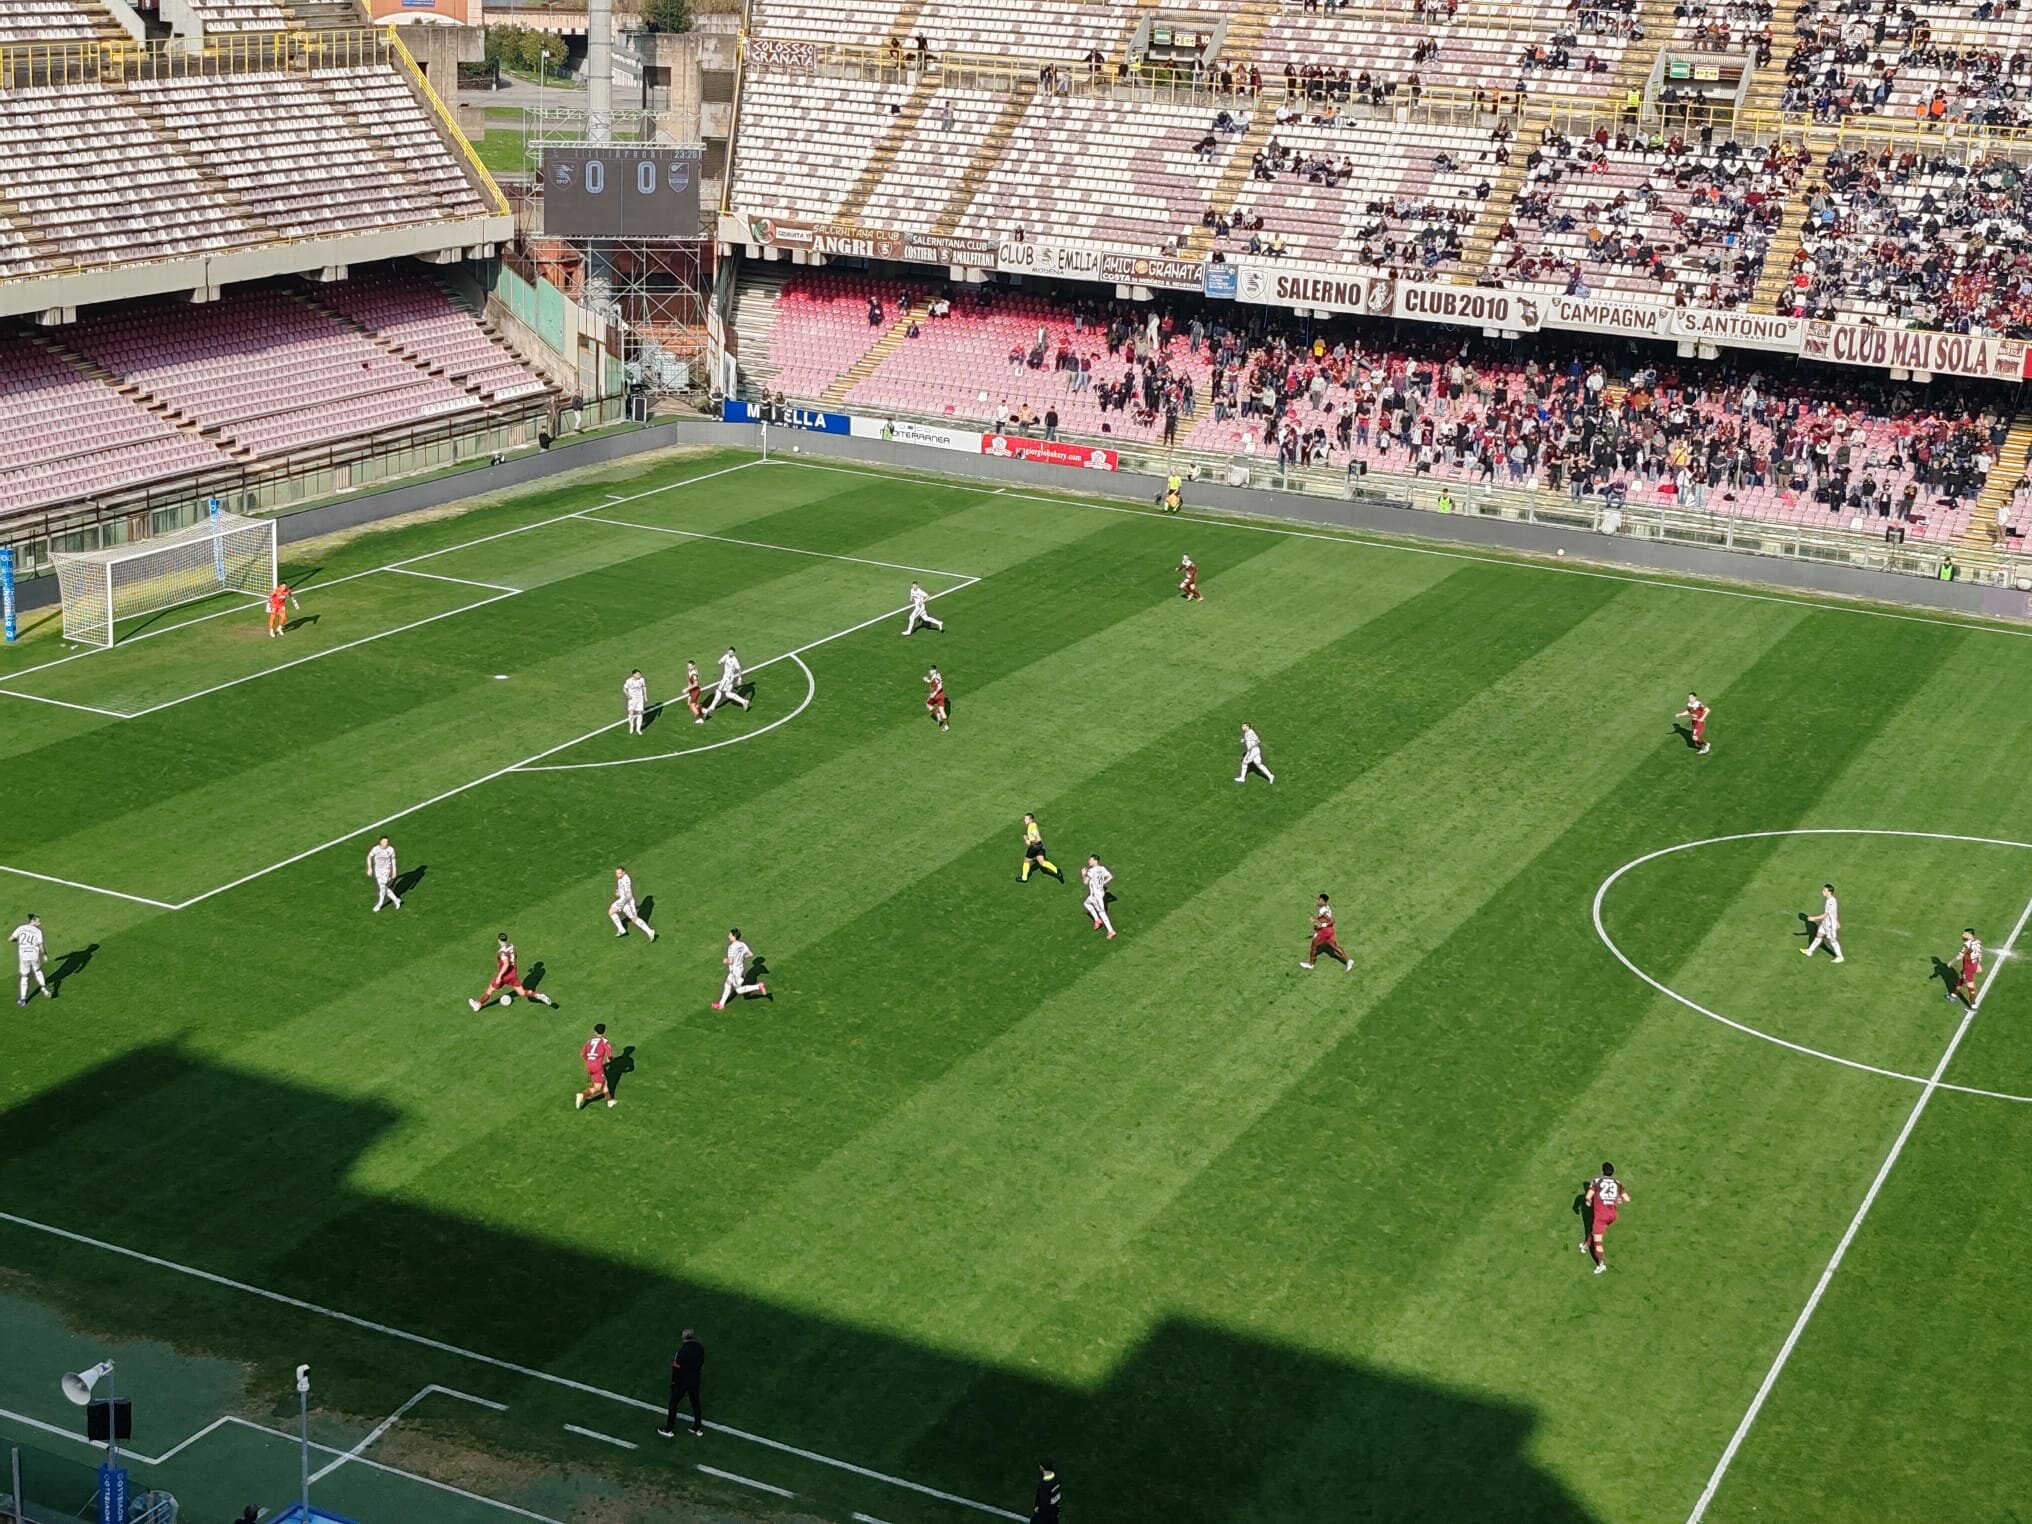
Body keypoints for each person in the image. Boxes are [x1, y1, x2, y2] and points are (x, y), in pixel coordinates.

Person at [468, 933, 557, 1010]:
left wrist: (499, 976)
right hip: (512, 975)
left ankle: (478, 1005)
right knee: (522, 993)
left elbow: (506, 964)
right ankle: (539, 995)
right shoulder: (512, 947)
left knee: (490, 990)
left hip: (503, 976)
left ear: (499, 940)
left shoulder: (502, 952)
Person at [1580, 1163, 1628, 1274]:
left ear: (1602, 1171)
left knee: (1598, 1242)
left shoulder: (1597, 1181)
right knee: (1594, 1231)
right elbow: (1627, 1198)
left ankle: (1601, 1264)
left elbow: (1588, 1196)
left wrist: (1588, 1201)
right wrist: (1619, 1199)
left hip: (1601, 1216)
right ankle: (1586, 1245)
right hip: (1612, 1215)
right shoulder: (1617, 1183)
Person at [658, 1329, 706, 1438]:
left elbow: (676, 1367)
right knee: (695, 1403)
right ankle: (697, 1427)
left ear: (683, 1338)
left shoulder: (681, 1352)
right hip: (695, 1379)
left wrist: (674, 1381)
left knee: (673, 1403)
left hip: (682, 1381)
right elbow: (701, 1362)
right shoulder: (699, 1348)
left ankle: (669, 1429)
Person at [713, 928, 768, 1010]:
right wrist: (741, 957)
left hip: (735, 970)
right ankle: (721, 1004)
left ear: (734, 936)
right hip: (740, 968)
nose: (728, 936)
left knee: (738, 990)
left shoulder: (731, 947)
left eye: (730, 935)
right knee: (727, 984)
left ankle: (758, 986)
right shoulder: (742, 944)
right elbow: (750, 954)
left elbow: (731, 961)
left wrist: (725, 961)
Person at [1301, 893, 1353, 972]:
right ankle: (1348, 961)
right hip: (1329, 931)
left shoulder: (1323, 910)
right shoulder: (1326, 908)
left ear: (1324, 902)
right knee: (1335, 946)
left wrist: (1321, 925)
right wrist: (1315, 921)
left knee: (1314, 946)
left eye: (1319, 900)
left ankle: (1310, 964)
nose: (1317, 901)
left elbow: (1332, 921)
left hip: (1324, 932)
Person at [10, 913, 51, 1006]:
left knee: (24, 976)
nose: (40, 923)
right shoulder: (38, 932)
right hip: (34, 954)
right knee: (38, 970)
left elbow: (11, 939)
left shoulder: (21, 928)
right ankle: (44, 988)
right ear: (33, 921)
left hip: (24, 955)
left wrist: (19, 941)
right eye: (38, 921)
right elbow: (41, 945)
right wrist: (44, 955)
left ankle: (23, 999)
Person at [576, 1022, 616, 1109]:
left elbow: (582, 1054)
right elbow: (610, 1055)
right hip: (597, 1066)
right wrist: (609, 1061)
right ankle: (582, 1096)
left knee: (605, 1081)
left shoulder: (589, 1041)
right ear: (604, 1032)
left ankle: (610, 1101)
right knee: (598, 1087)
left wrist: (590, 1060)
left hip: (589, 1064)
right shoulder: (604, 1041)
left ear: (595, 1031)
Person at [609, 866, 656, 940]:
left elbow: (629, 894)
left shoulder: (626, 879)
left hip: (627, 902)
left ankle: (650, 931)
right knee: (611, 912)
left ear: (624, 872)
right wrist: (619, 893)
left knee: (634, 919)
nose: (617, 875)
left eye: (619, 873)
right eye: (617, 873)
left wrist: (623, 903)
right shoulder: (620, 879)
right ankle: (621, 929)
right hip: (623, 900)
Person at [1802, 883, 1842, 963]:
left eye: (1824, 890)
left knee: (1832, 940)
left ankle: (1840, 957)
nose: (1823, 891)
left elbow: (1825, 915)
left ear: (1829, 892)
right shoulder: (1829, 900)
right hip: (1825, 923)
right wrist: (1837, 921)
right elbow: (1833, 912)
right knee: (1818, 935)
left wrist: (1813, 918)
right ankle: (1809, 951)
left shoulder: (1831, 902)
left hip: (1830, 924)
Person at [704, 647, 750, 714]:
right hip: (727, 677)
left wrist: (740, 678)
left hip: (727, 678)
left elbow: (739, 669)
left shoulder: (735, 660)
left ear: (734, 653)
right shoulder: (726, 656)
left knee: (719, 690)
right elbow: (721, 661)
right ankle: (744, 701)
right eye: (729, 652)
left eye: (731, 652)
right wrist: (719, 662)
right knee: (728, 694)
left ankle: (712, 706)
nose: (730, 653)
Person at [1020, 813, 1062, 883]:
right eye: (1025, 819)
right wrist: (1028, 837)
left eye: (1026, 819)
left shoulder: (1031, 826)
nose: (1025, 820)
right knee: (1042, 862)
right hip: (1040, 846)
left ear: (1031, 820)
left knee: (1026, 861)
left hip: (1034, 847)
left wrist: (1028, 841)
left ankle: (1024, 878)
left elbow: (1038, 838)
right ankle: (1057, 871)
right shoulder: (1033, 825)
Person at [1082, 854, 1116, 939]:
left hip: (1096, 896)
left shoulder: (1091, 871)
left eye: (1090, 860)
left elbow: (1085, 882)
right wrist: (1102, 884)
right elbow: (1110, 876)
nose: (1089, 861)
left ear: (1095, 861)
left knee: (1102, 912)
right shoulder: (1102, 868)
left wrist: (1083, 874)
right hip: (1099, 893)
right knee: (1086, 903)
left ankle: (1111, 931)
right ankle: (1097, 920)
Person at [365, 835, 402, 912]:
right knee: (384, 887)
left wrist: (394, 871)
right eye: (384, 842)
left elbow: (393, 860)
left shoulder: (390, 849)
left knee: (382, 887)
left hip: (386, 870)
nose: (386, 843)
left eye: (387, 842)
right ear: (380, 842)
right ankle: (396, 900)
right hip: (378, 870)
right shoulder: (375, 849)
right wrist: (369, 868)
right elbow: (369, 857)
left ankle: (379, 904)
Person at [1950, 927, 1983, 1007]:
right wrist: (1978, 962)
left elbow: (1960, 956)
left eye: (1965, 934)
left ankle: (1973, 1006)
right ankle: (1954, 995)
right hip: (1974, 965)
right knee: (1961, 978)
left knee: (1970, 988)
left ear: (1970, 935)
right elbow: (1980, 953)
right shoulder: (1977, 941)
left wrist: (1951, 962)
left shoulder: (1967, 944)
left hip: (1968, 968)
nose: (1963, 935)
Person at [1031, 1459, 1062, 1524]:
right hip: (1054, 1510)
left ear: (1042, 1467)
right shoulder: (1057, 1478)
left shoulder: (1044, 1484)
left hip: (1044, 1514)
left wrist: (1037, 1509)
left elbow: (1044, 1501)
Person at [623, 668, 649, 736]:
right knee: (631, 714)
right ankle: (631, 725)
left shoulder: (642, 680)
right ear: (634, 675)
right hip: (632, 700)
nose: (639, 675)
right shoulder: (629, 681)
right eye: (638, 674)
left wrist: (645, 696)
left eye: (640, 674)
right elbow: (624, 688)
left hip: (640, 699)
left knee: (640, 714)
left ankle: (638, 729)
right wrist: (628, 695)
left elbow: (644, 687)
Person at [925, 665, 949, 731]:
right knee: (942, 710)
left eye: (930, 670)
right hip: (941, 695)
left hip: (936, 695)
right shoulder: (938, 675)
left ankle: (937, 715)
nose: (929, 671)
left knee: (928, 704)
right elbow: (935, 681)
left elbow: (939, 686)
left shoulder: (935, 677)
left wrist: (934, 693)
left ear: (934, 671)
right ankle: (946, 726)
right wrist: (927, 680)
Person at [684, 660, 707, 725]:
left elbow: (696, 684)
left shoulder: (694, 674)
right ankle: (704, 710)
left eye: (690, 666)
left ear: (694, 666)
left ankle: (699, 719)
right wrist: (689, 690)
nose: (688, 667)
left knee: (692, 706)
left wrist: (687, 689)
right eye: (688, 666)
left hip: (695, 691)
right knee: (690, 704)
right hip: (692, 691)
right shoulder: (690, 671)